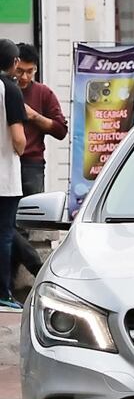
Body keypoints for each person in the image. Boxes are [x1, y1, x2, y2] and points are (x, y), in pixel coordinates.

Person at [12, 44, 67, 278]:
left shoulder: (43, 93)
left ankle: (12, 284)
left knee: (22, 225)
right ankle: (37, 269)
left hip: (32, 164)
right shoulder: (5, 90)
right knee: (8, 226)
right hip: (7, 162)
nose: (24, 77)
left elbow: (60, 129)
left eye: (30, 71)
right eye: (20, 71)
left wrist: (34, 116)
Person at [0, 40, 27, 310]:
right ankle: (3, 292)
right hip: (4, 178)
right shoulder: (10, 89)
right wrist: (21, 147)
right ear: (15, 62)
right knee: (4, 235)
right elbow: (18, 139)